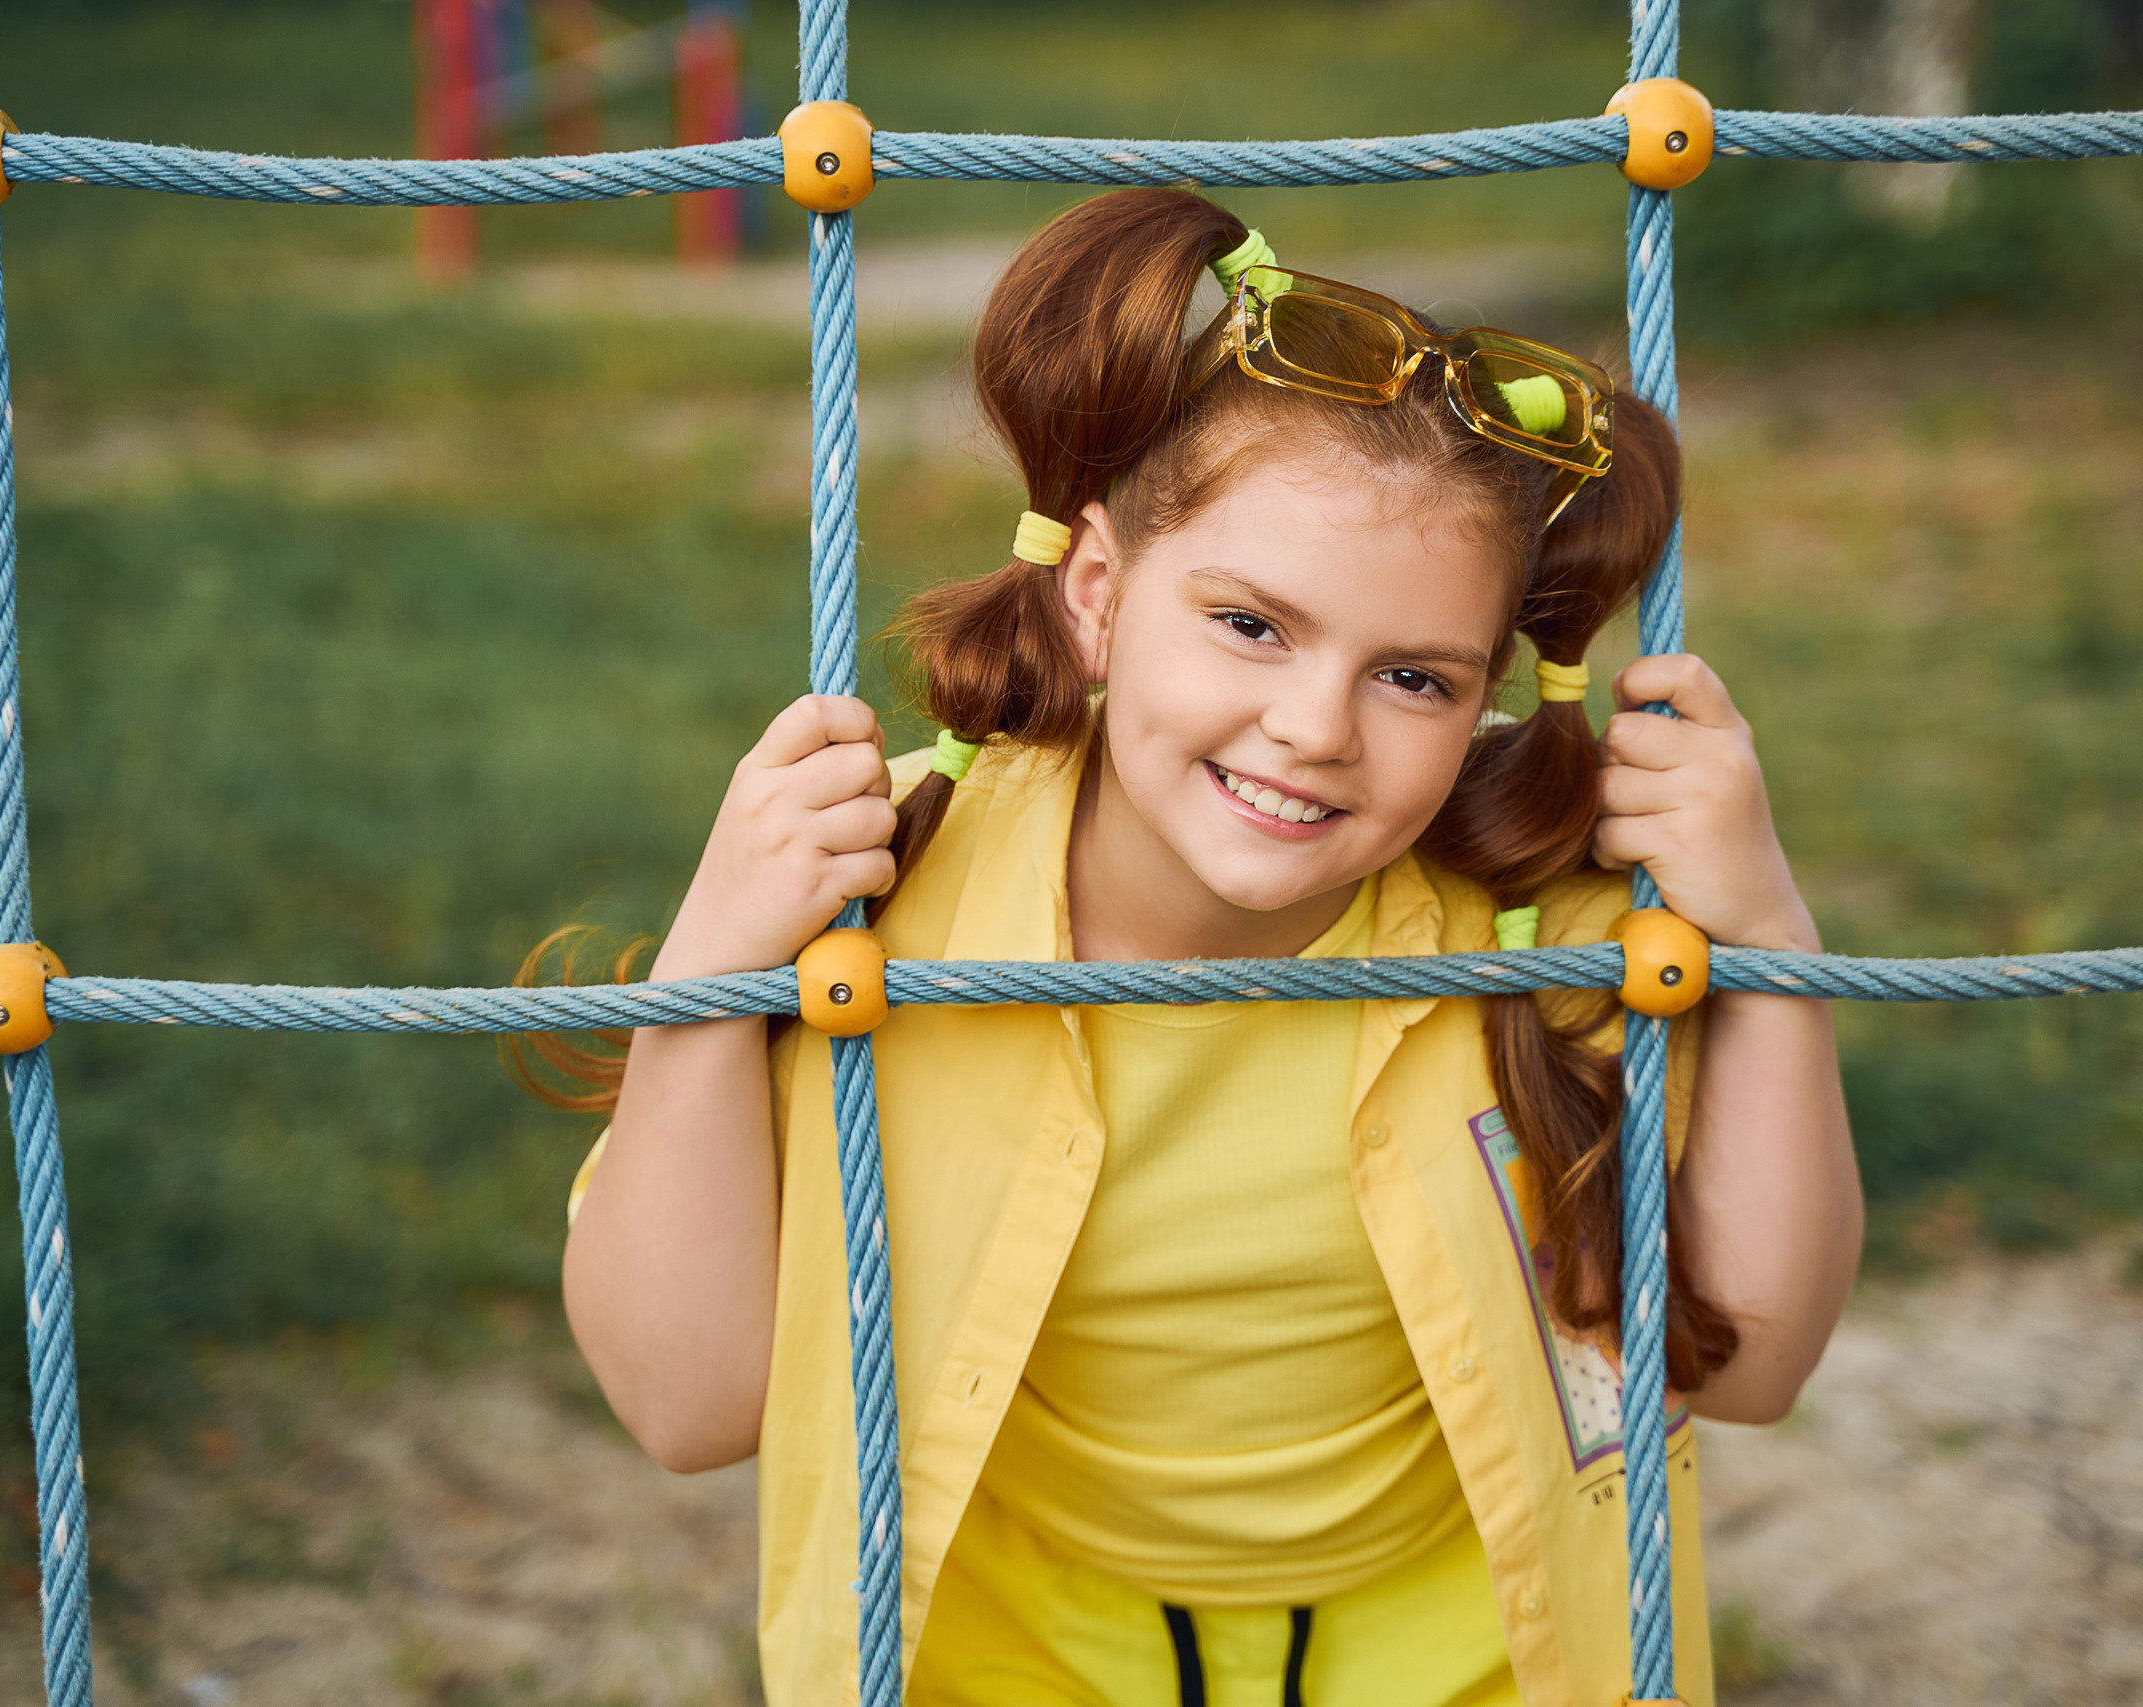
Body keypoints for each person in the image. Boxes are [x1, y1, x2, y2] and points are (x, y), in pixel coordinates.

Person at [538, 186, 1859, 1707]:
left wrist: (1771, 942)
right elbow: (684, 1406)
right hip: (1016, 1635)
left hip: (1468, 1640)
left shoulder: (1543, 931)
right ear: (1098, 594)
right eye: (1249, 625)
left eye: (1416, 679)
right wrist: (711, 965)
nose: (1314, 729)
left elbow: (1756, 1369)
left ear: (1487, 694)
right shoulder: (875, 900)